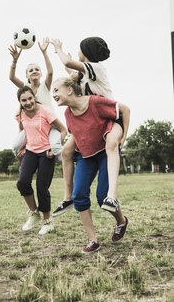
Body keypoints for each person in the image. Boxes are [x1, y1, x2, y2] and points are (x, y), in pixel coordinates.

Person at [51, 37, 128, 216]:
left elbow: (68, 62)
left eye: (80, 49)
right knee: (66, 152)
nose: (77, 53)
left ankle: (111, 195)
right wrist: (67, 68)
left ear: (85, 52)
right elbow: (71, 75)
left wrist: (59, 50)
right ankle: (68, 198)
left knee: (110, 146)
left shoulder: (97, 68)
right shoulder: (86, 74)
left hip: (109, 117)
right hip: (93, 121)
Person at [52, 77, 130, 253]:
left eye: (56, 90)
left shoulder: (95, 103)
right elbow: (79, 136)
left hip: (105, 153)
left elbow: (125, 110)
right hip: (86, 157)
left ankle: (121, 221)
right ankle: (92, 240)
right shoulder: (67, 115)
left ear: (70, 89)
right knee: (78, 195)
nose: (53, 94)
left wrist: (122, 136)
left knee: (103, 196)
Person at [16, 85, 67, 234]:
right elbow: (22, 131)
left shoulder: (45, 111)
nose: (28, 102)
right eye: (24, 100)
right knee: (22, 182)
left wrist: (56, 147)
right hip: (30, 151)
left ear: (34, 97)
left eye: (30, 98)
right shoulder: (21, 113)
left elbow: (63, 129)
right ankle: (34, 213)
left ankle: (47, 221)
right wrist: (22, 146)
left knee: (41, 187)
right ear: (20, 102)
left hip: (46, 152)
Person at [8, 38, 61, 159]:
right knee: (16, 147)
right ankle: (24, 169)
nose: (34, 71)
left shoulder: (45, 86)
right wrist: (14, 61)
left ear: (41, 74)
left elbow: (51, 72)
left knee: (55, 148)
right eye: (30, 70)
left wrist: (44, 52)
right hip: (32, 125)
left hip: (49, 123)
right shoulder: (25, 88)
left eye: (37, 69)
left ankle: (61, 163)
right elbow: (11, 77)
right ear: (26, 76)